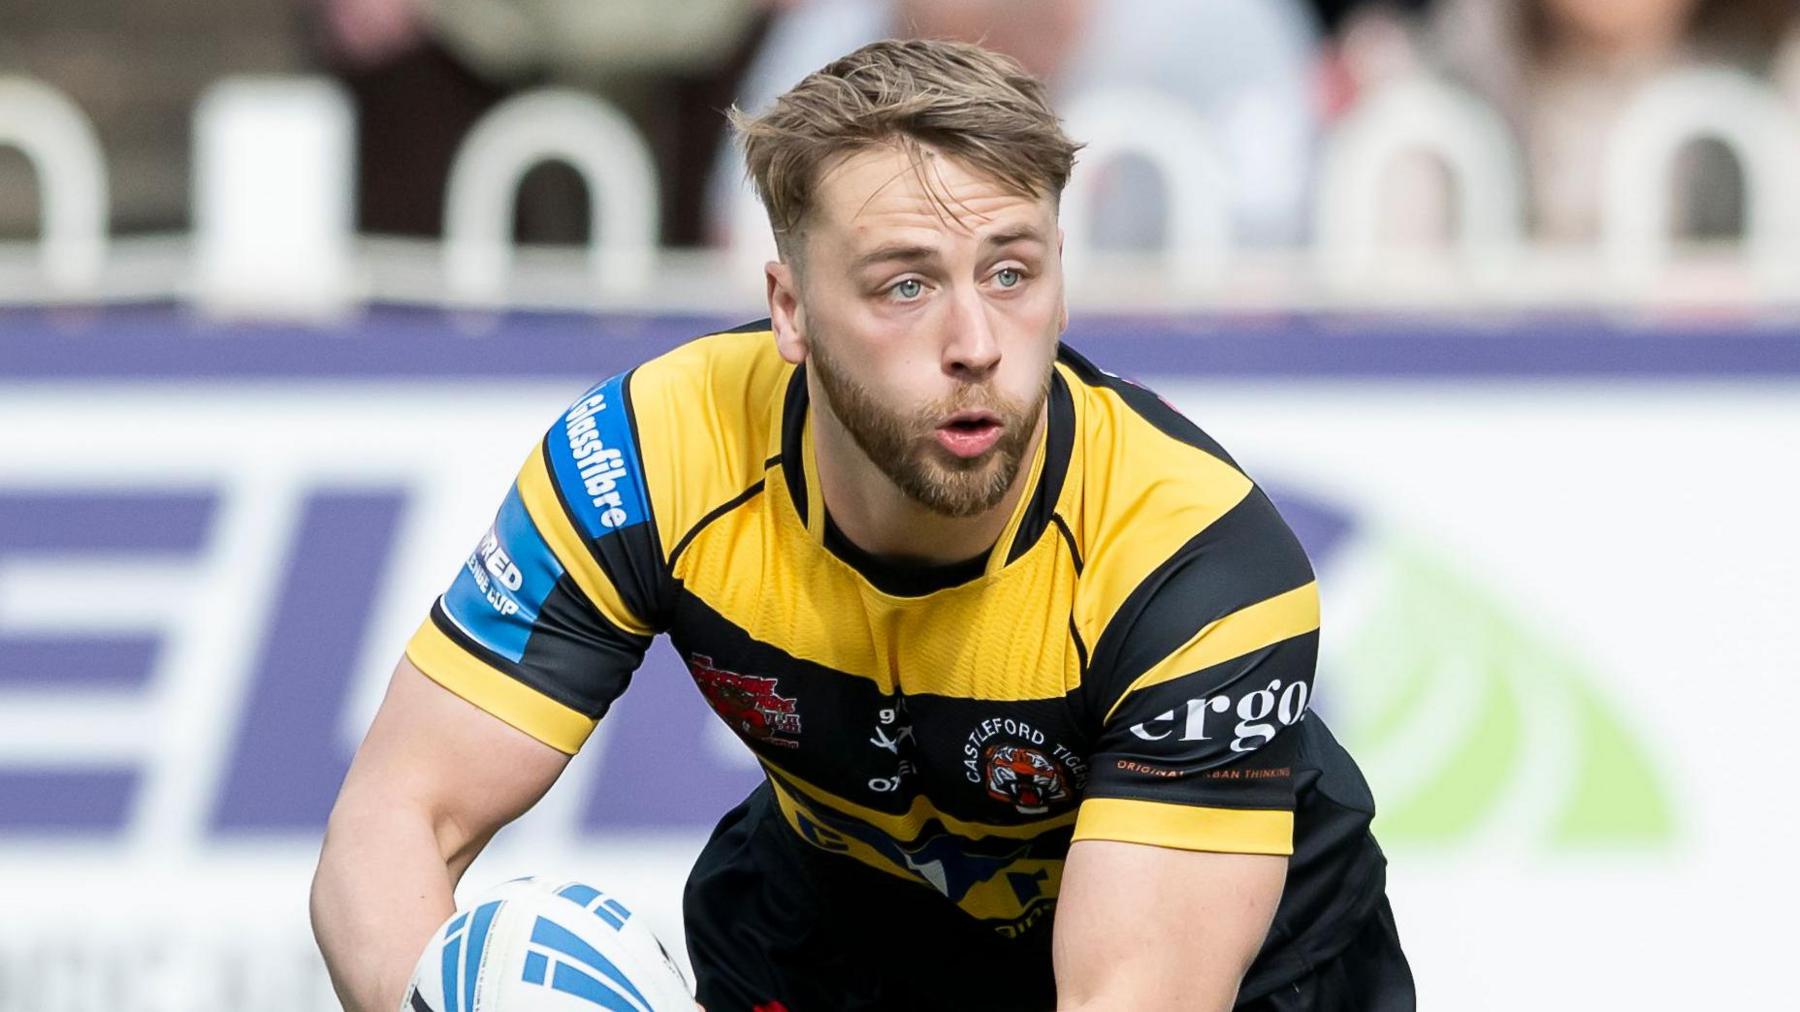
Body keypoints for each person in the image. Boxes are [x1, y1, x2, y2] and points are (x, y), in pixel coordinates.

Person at [311, 39, 1412, 1011]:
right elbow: (390, 828)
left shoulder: (1192, 558)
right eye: (904, 286)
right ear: (788, 309)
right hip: (850, 915)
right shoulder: (644, 457)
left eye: (1013, 272)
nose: (976, 340)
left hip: (1255, 969)